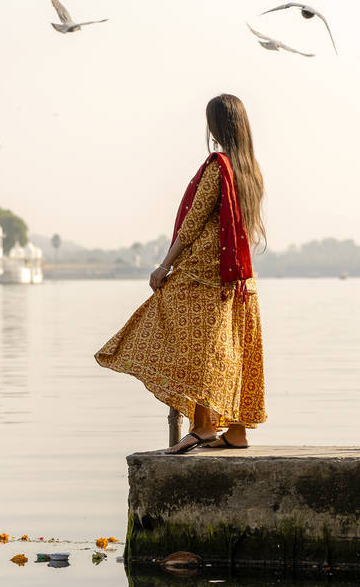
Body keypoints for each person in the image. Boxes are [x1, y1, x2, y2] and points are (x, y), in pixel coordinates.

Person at [95, 94, 267, 451]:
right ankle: (236, 431)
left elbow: (192, 224)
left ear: (217, 125)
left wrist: (164, 265)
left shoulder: (219, 166)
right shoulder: (250, 169)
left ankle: (204, 426)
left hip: (204, 274)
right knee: (230, 347)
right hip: (239, 276)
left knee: (200, 347)